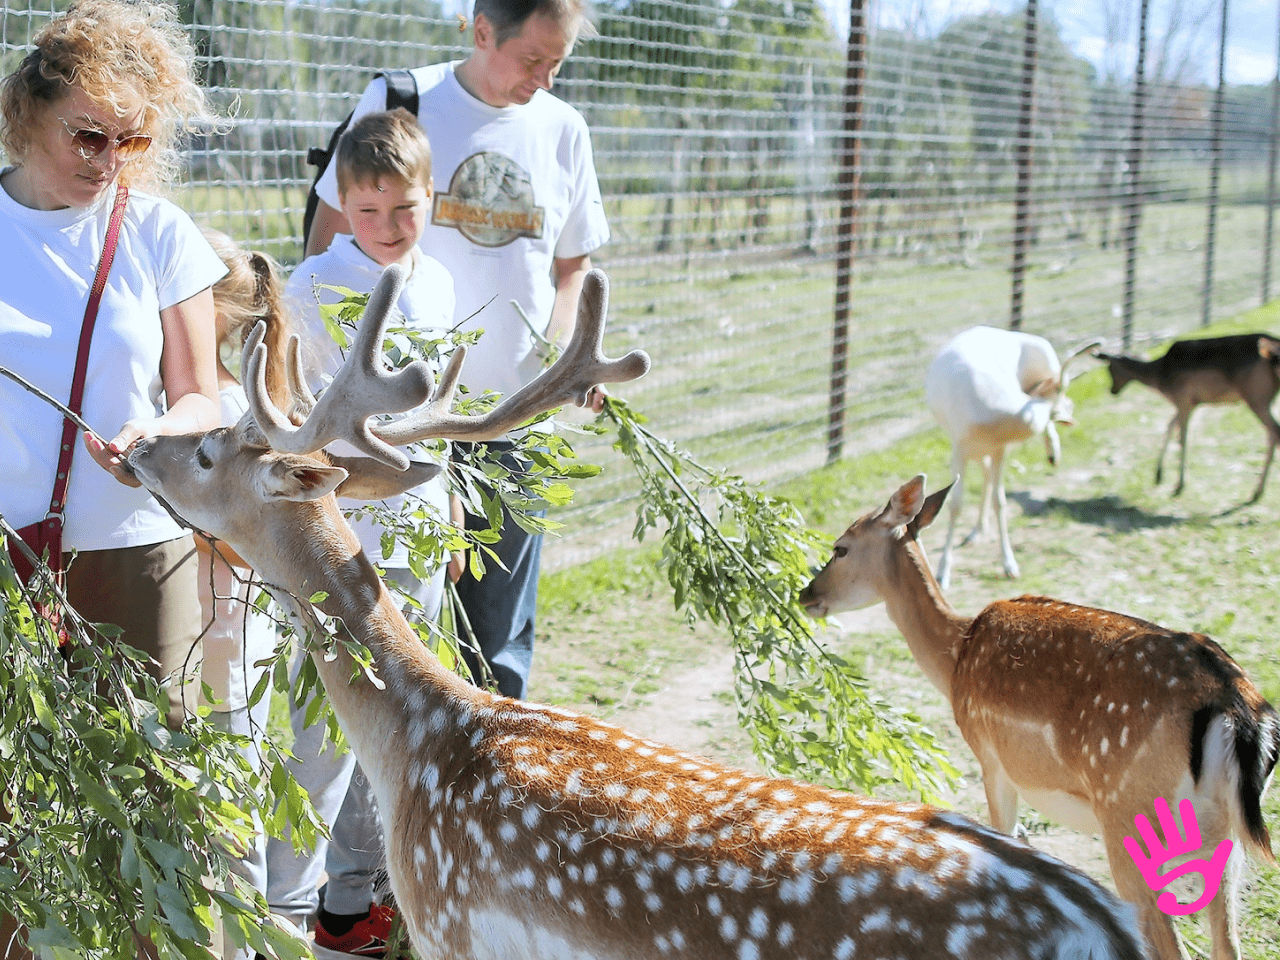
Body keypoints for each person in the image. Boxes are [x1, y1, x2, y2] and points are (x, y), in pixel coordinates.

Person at [305, 0, 610, 707]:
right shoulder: (400, 100)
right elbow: (328, 240)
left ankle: (499, 787)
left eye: (557, 63)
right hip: (396, 431)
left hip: (512, 419)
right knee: (387, 628)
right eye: (532, 59)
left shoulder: (564, 128)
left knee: (496, 637)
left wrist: (561, 357)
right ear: (481, 32)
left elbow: (574, 268)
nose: (544, 78)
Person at [0, 1, 224, 955]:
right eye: (88, 134)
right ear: (24, 114)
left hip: (138, 553)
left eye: (132, 139)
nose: (109, 159)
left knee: (150, 801)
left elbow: (205, 397)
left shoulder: (160, 232)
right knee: (13, 808)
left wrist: (156, 431)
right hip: (7, 556)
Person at [269, 108, 457, 960]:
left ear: (433, 200)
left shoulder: (442, 282)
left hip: (413, 541)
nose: (387, 229)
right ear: (342, 202)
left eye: (405, 210)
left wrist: (449, 516)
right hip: (338, 547)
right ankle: (282, 904)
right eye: (369, 211)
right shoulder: (309, 288)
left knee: (392, 724)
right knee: (321, 732)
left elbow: (441, 418)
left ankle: (350, 908)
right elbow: (287, 420)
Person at [195, 226, 295, 960]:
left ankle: (245, 943)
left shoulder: (232, 409)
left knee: (230, 797)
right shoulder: (193, 398)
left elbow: (243, 541)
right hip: (203, 631)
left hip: (224, 632)